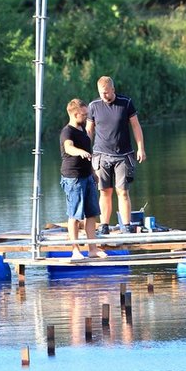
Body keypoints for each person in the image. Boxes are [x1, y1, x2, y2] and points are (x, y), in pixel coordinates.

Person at [86, 76, 146, 234]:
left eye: (106, 92)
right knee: (105, 191)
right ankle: (104, 225)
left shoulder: (126, 103)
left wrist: (140, 148)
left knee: (123, 191)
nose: (104, 95)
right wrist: (86, 152)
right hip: (101, 155)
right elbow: (89, 131)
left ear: (113, 89)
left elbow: (136, 126)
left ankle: (126, 226)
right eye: (101, 93)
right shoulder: (93, 106)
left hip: (123, 155)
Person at [60, 98, 107, 260]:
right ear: (75, 114)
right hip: (73, 178)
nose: (87, 117)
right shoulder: (67, 132)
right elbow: (69, 147)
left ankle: (92, 249)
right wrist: (79, 152)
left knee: (91, 214)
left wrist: (93, 172)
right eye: (84, 114)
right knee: (74, 215)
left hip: (87, 176)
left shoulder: (82, 130)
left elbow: (89, 154)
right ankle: (75, 250)